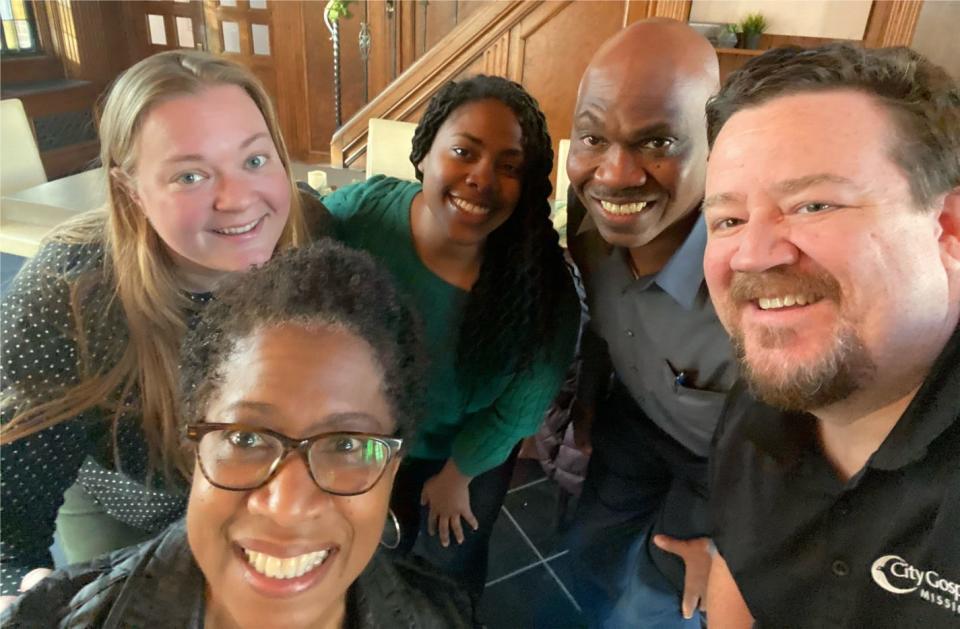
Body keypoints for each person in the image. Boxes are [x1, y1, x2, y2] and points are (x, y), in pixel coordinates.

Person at [0, 241, 474, 627]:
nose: (286, 506)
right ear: (194, 448)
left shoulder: (446, 617)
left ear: (393, 467)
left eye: (346, 445)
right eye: (246, 438)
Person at [0, 49, 326, 603]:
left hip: (256, 493)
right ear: (131, 190)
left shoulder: (311, 235)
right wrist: (36, 598)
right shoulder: (68, 292)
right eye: (191, 175)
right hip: (131, 507)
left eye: (254, 161)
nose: (239, 200)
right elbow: (7, 521)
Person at [702, 44, 960, 627]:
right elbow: (742, 558)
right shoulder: (759, 401)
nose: (753, 255)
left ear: (948, 226)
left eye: (813, 204)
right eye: (729, 220)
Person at [320, 75, 580, 600]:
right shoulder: (364, 218)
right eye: (463, 152)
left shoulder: (541, 286)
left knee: (450, 566)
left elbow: (520, 409)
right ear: (424, 154)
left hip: (468, 450)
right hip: (365, 440)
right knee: (364, 563)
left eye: (508, 166)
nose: (482, 178)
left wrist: (457, 475)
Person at [563, 19, 741, 628]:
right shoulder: (588, 228)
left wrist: (738, 549)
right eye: (592, 138)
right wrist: (586, 406)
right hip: (634, 426)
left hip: (729, 470)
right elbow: (599, 328)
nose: (613, 174)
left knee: (661, 602)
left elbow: (814, 440)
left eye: (658, 143)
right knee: (587, 554)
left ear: (716, 147)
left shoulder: (754, 281)